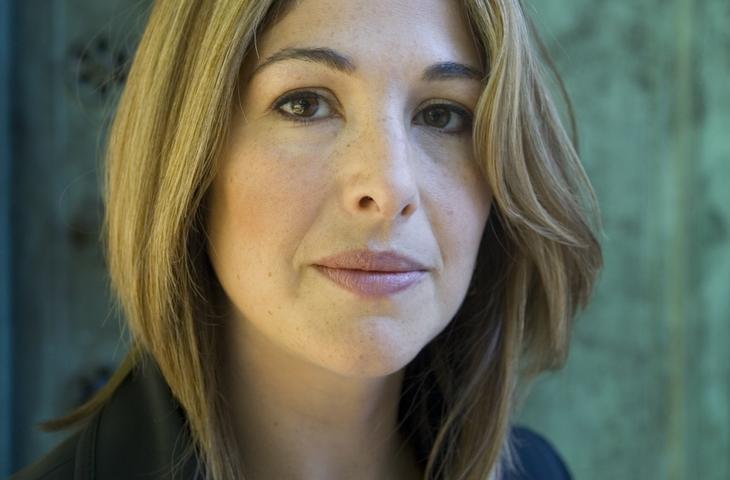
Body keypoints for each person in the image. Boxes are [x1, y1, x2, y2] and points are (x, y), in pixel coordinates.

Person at [12, 0, 602, 478]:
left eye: (442, 115)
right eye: (305, 104)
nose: (389, 186)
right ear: (188, 158)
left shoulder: (540, 472)